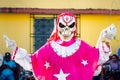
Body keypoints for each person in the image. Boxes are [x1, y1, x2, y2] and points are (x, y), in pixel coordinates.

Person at [4, 12, 117, 80]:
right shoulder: (49, 48)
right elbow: (32, 61)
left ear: (75, 27)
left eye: (70, 25)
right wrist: (15, 49)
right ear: (58, 27)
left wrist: (103, 37)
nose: (66, 28)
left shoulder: (81, 46)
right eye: (62, 25)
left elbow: (96, 58)